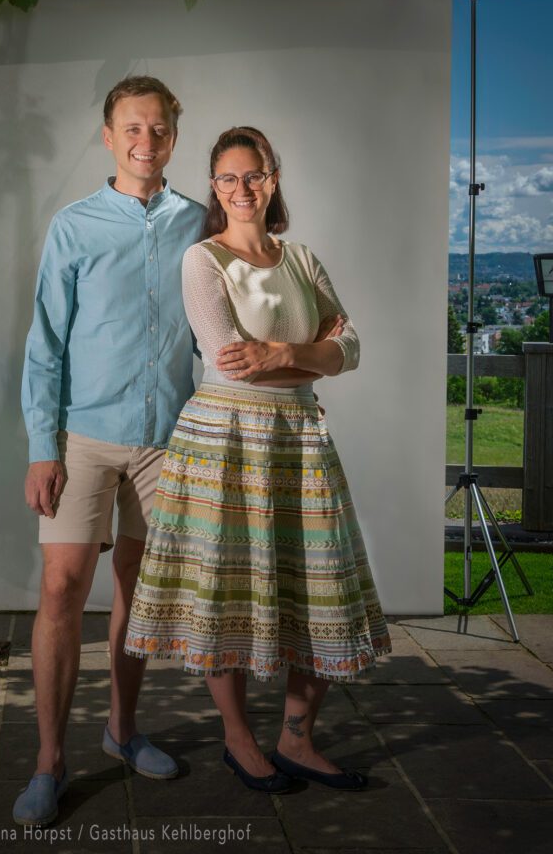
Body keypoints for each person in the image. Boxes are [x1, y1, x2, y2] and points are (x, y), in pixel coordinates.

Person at [122, 125, 392, 795]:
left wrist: (282, 354)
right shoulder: (203, 260)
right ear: (215, 188)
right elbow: (230, 365)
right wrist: (311, 356)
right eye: (228, 178)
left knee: (318, 589)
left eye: (254, 175)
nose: (241, 188)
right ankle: (239, 739)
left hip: (299, 438)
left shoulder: (302, 259)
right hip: (225, 440)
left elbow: (352, 347)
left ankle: (296, 737)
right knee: (229, 592)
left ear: (273, 180)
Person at [16, 76, 211, 826]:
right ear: (108, 136)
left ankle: (122, 730)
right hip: (84, 439)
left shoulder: (198, 223)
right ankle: (49, 761)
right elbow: (46, 344)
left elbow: (216, 330)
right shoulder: (73, 226)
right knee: (61, 587)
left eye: (158, 129)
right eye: (132, 128)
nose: (145, 141)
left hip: (169, 441)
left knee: (140, 590)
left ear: (173, 138)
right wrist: (43, 447)